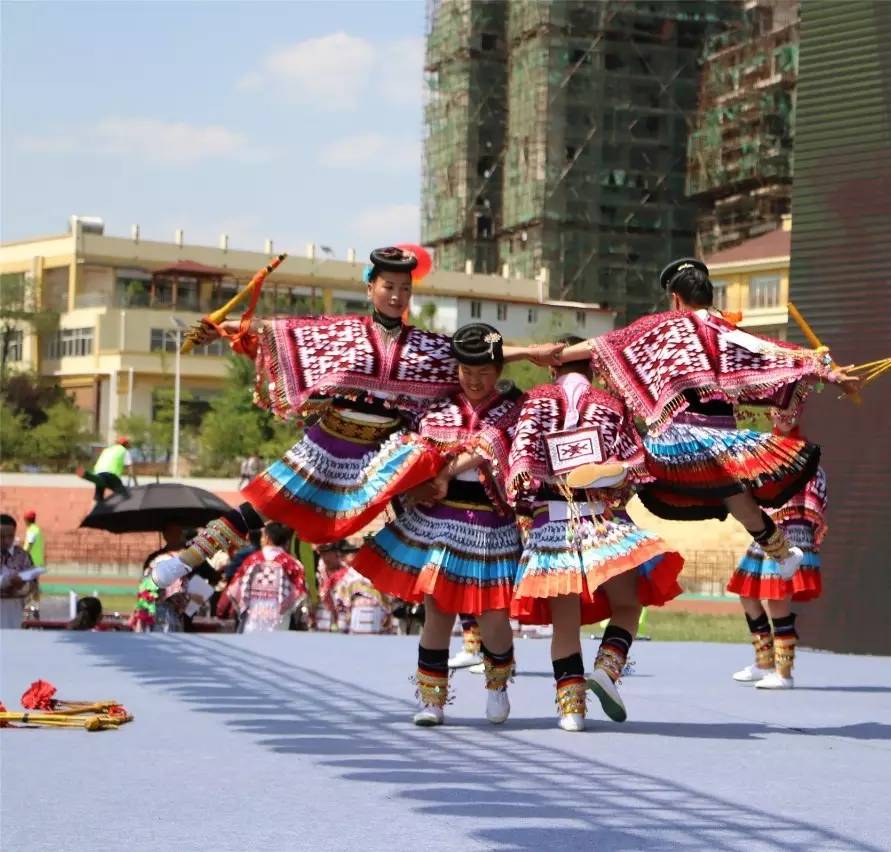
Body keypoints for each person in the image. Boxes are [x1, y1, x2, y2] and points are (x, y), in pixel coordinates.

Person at [152, 247, 559, 588]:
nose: (397, 295)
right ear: (370, 289)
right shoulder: (341, 332)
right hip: (326, 444)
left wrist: (530, 352)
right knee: (263, 505)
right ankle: (188, 559)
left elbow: (475, 355)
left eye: (405, 288)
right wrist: (220, 330)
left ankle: (461, 598)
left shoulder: (427, 347)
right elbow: (274, 333)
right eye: (388, 286)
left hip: (380, 455)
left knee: (431, 492)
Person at [549, 258, 861, 578]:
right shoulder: (728, 333)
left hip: (677, 438)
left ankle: (620, 470)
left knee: (654, 464)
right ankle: (782, 554)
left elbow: (607, 344)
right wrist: (829, 373)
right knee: (740, 503)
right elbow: (778, 356)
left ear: (675, 298)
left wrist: (558, 353)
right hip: (725, 444)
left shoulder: (660, 327)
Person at [506, 337, 684, 731]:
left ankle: (571, 710)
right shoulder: (611, 406)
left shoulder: (535, 401)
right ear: (593, 368)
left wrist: (528, 501)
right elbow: (635, 469)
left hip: (553, 525)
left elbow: (518, 466)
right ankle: (608, 666)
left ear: (554, 368)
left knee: (565, 622)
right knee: (628, 603)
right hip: (601, 522)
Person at [353, 323, 525, 727]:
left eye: (484, 371)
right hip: (437, 522)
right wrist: (411, 489)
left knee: (493, 618)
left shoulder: (515, 409)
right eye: (467, 370)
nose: (475, 379)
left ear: (498, 370)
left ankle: (497, 685)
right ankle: (432, 700)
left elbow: (491, 445)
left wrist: (445, 470)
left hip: (489, 525)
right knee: (437, 611)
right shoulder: (435, 410)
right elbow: (409, 459)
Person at [727, 409, 826, 690]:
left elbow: (816, 490)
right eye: (780, 412)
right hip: (768, 528)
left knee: (777, 598)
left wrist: (805, 524)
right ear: (771, 414)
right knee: (747, 593)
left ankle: (784, 672)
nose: (785, 417)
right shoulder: (765, 448)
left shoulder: (804, 451)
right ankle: (764, 663)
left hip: (791, 529)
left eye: (791, 412)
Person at [219, 522, 307, 633]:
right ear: (286, 541)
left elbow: (235, 589)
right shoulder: (292, 564)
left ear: (267, 538)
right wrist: (285, 608)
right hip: (280, 620)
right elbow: (299, 593)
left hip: (253, 618)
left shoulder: (252, 560)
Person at [0, 514, 37, 629]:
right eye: (1, 536)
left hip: (15, 616)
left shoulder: (23, 556)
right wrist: (7, 581)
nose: (6, 541)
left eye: (10, 536)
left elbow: (33, 586)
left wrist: (22, 587)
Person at [78, 437, 133, 502]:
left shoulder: (107, 450)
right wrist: (135, 483)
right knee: (125, 495)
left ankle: (94, 510)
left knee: (98, 497)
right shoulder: (124, 450)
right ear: (126, 444)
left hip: (99, 473)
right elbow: (130, 470)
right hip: (112, 475)